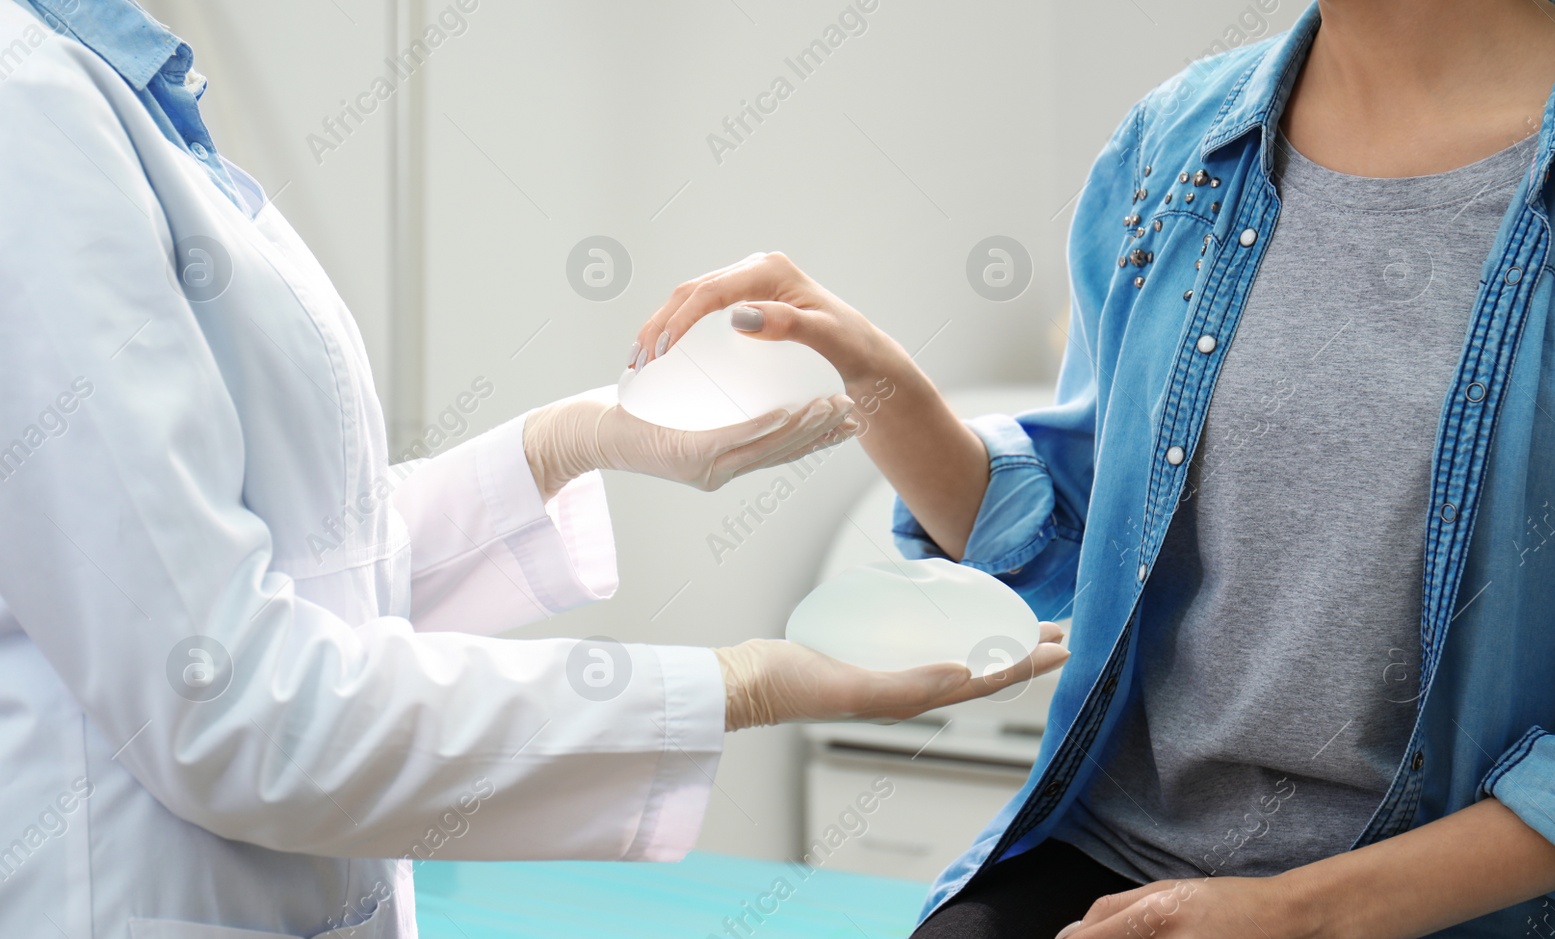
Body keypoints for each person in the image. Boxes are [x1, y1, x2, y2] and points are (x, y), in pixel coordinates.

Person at [0, 1, 1070, 936]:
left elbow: (291, 568)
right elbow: (221, 697)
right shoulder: (28, 111)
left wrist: (559, 447)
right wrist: (731, 686)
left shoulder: (112, 92)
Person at [632, 0, 1555, 935]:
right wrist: (871, 377)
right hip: (1122, 861)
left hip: (1454, 903)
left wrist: (1306, 916)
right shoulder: (1176, 142)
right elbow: (1079, 540)